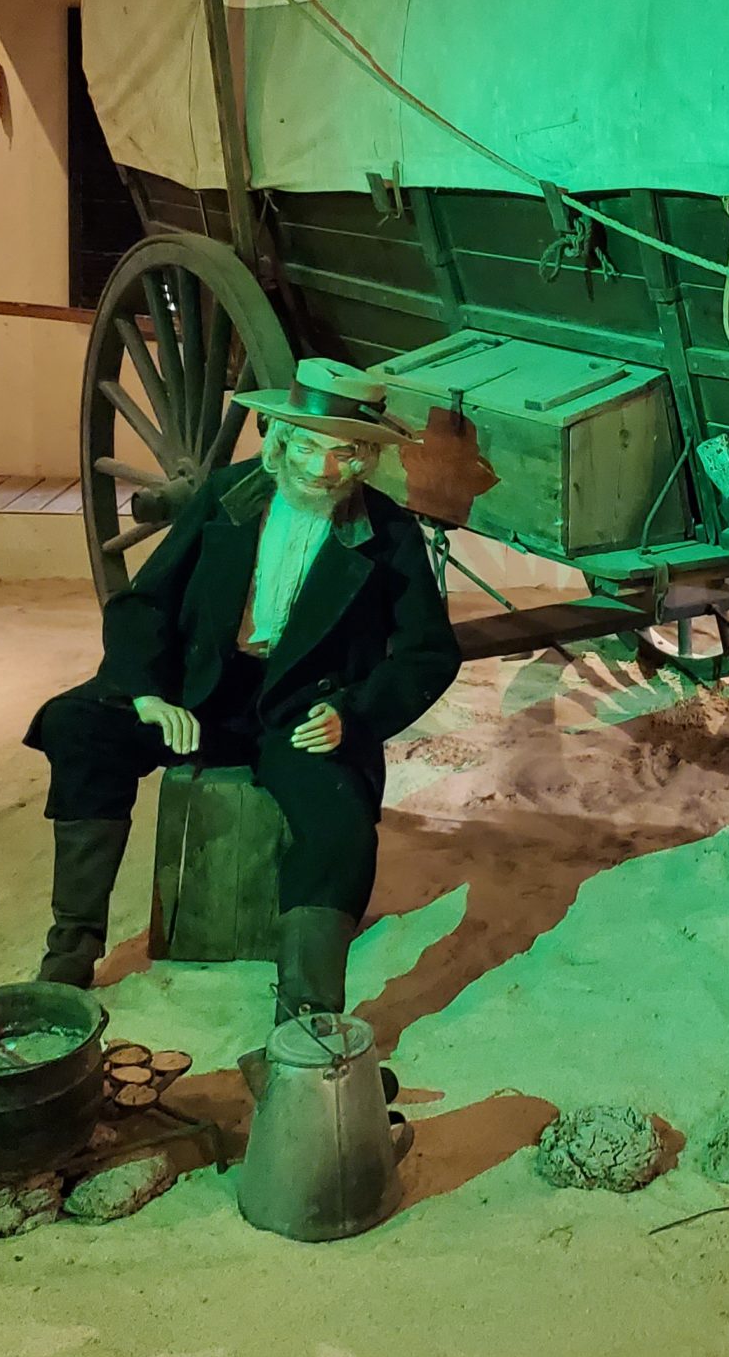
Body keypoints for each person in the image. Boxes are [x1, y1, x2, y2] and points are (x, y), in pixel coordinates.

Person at [26, 356, 462, 1023]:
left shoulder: (388, 532)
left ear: (368, 458)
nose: (323, 468)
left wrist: (355, 714)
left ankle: (305, 1020)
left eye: (345, 453)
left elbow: (430, 653)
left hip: (304, 709)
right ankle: (69, 953)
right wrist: (146, 695)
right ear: (280, 441)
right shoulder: (227, 494)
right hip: (199, 692)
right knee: (78, 725)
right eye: (310, 446)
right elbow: (146, 601)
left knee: (340, 829)